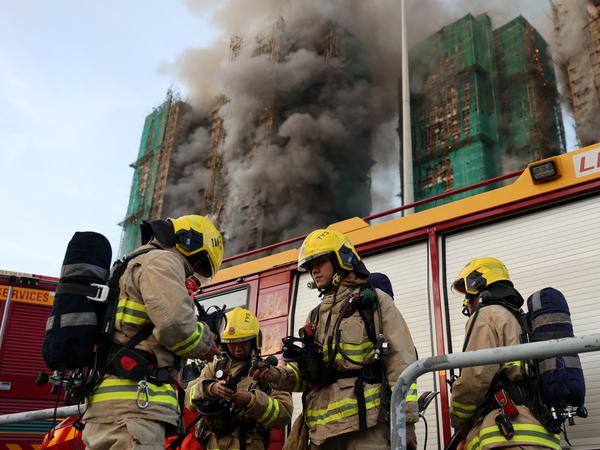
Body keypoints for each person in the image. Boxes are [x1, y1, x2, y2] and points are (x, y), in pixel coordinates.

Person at [253, 228, 419, 450]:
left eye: (320, 262)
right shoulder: (314, 317)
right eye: (311, 266)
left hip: (366, 430)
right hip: (324, 435)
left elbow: (401, 362)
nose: (315, 271)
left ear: (341, 259)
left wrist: (406, 422)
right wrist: (273, 374)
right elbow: (307, 377)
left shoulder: (375, 302)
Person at [82, 215, 224, 450]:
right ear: (189, 243)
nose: (193, 272)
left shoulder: (136, 262)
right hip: (134, 407)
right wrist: (206, 343)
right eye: (199, 263)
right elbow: (176, 327)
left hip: (118, 405)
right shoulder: (162, 261)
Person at [449, 257, 561, 450]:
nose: (466, 303)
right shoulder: (519, 318)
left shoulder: (487, 314)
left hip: (508, 436)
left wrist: (458, 419)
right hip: (541, 433)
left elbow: (474, 378)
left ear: (477, 284)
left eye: (467, 295)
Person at [185, 307, 293, 449]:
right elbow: (188, 399)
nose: (237, 348)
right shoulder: (215, 367)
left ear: (254, 341)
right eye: (232, 343)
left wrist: (251, 401)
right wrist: (210, 388)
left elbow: (284, 414)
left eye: (243, 342)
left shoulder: (266, 373)